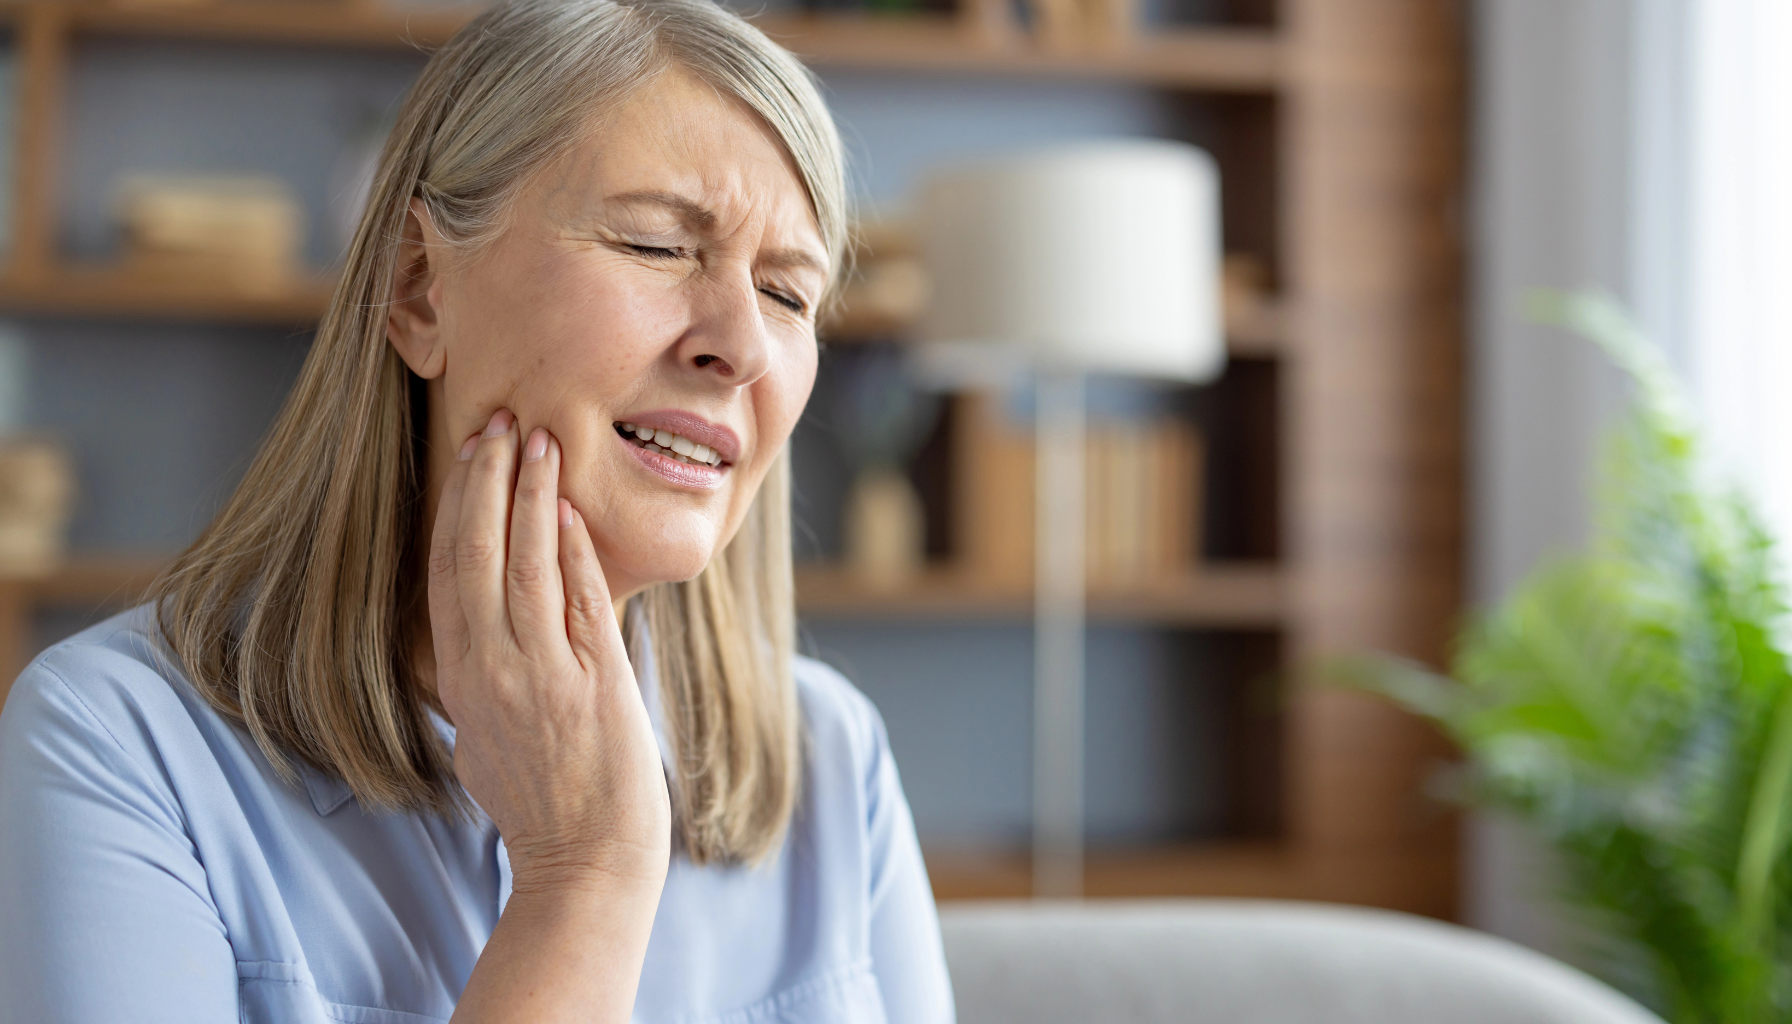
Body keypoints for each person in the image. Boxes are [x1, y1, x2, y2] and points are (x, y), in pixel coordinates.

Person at [0, 0, 954, 1019]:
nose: (742, 344)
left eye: (786, 293)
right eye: (656, 245)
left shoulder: (834, 760)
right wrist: (583, 878)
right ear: (418, 289)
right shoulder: (113, 744)